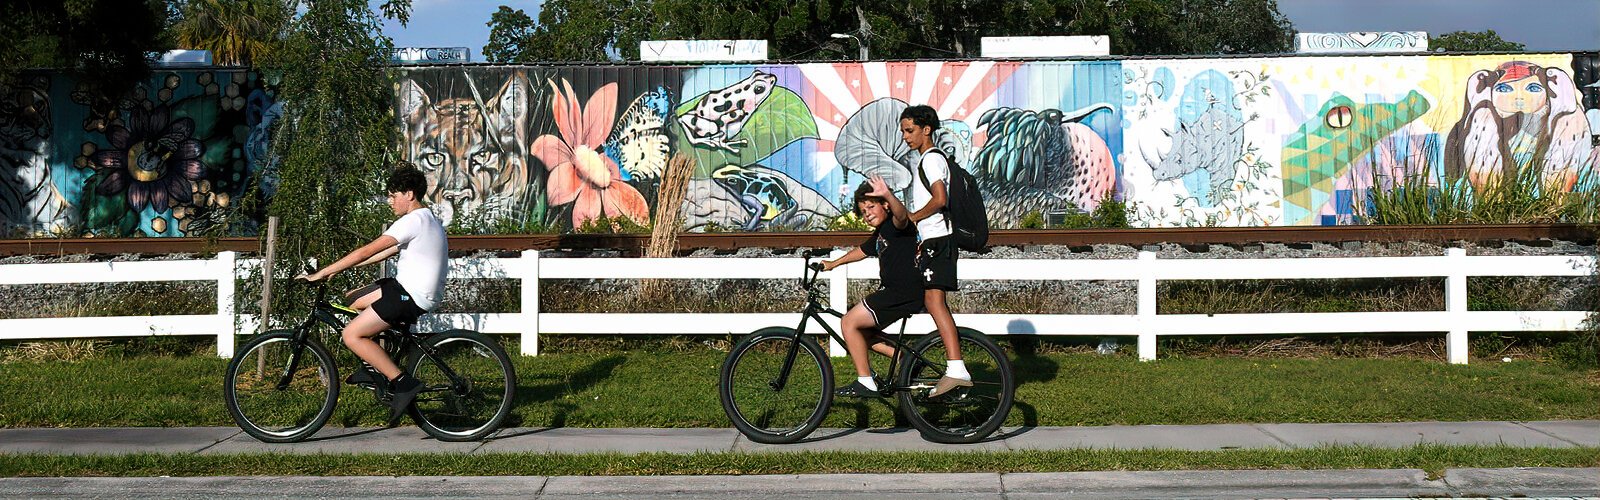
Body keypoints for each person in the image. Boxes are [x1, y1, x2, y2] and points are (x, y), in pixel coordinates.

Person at [301, 163, 448, 417]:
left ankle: (403, 382)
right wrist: (338, 269)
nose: (390, 201)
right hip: (407, 288)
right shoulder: (426, 218)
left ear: (409, 194)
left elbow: (366, 250)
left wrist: (322, 272)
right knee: (353, 299)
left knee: (351, 335)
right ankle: (373, 365)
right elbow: (381, 254)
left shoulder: (412, 221)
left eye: (393, 195)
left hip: (411, 296)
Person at [818, 176, 919, 397]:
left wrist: (888, 195)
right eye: (863, 211)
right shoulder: (882, 232)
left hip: (901, 292)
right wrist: (833, 264)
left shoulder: (897, 225)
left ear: (885, 205)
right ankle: (904, 357)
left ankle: (865, 381)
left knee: (849, 322)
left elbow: (902, 215)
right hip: (896, 292)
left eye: (871, 207)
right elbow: (863, 250)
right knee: (861, 332)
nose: (867, 213)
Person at [899, 104, 970, 397]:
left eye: (910, 130)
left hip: (939, 240)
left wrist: (914, 217)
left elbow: (940, 199)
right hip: (933, 240)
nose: (905, 136)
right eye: (903, 131)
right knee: (927, 300)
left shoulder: (930, 160)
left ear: (926, 130)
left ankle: (956, 368)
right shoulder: (927, 160)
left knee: (934, 302)